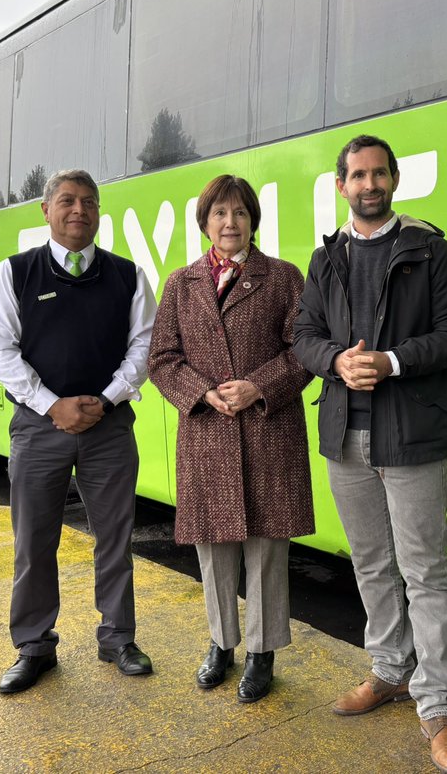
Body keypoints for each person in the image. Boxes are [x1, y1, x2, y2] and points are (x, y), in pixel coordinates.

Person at [293, 135, 447, 774]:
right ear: (340, 184)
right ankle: (390, 671)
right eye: (358, 175)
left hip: (411, 437)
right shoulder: (327, 260)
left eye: (379, 174)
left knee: (425, 572)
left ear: (394, 180)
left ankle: (439, 708)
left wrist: (392, 362)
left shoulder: (432, 252)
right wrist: (337, 362)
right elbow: (303, 337)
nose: (369, 184)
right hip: (346, 436)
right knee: (372, 565)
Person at [0, 168, 157, 694]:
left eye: (88, 202)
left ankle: (118, 637)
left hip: (109, 427)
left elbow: (144, 347)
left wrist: (104, 400)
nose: (78, 210)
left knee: (115, 538)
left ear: (99, 212)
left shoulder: (127, 275)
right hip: (38, 431)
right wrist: (52, 405)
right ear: (46, 211)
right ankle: (34, 648)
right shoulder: (15, 273)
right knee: (34, 540)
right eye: (66, 201)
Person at [148, 174, 313, 703]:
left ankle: (262, 653)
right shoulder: (181, 284)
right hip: (206, 432)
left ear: (253, 221)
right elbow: (161, 360)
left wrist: (257, 386)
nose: (229, 223)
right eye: (219, 213)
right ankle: (221, 643)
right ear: (204, 222)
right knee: (214, 548)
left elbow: (306, 351)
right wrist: (201, 392)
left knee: (266, 548)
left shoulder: (284, 278)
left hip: (267, 429)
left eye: (239, 213)